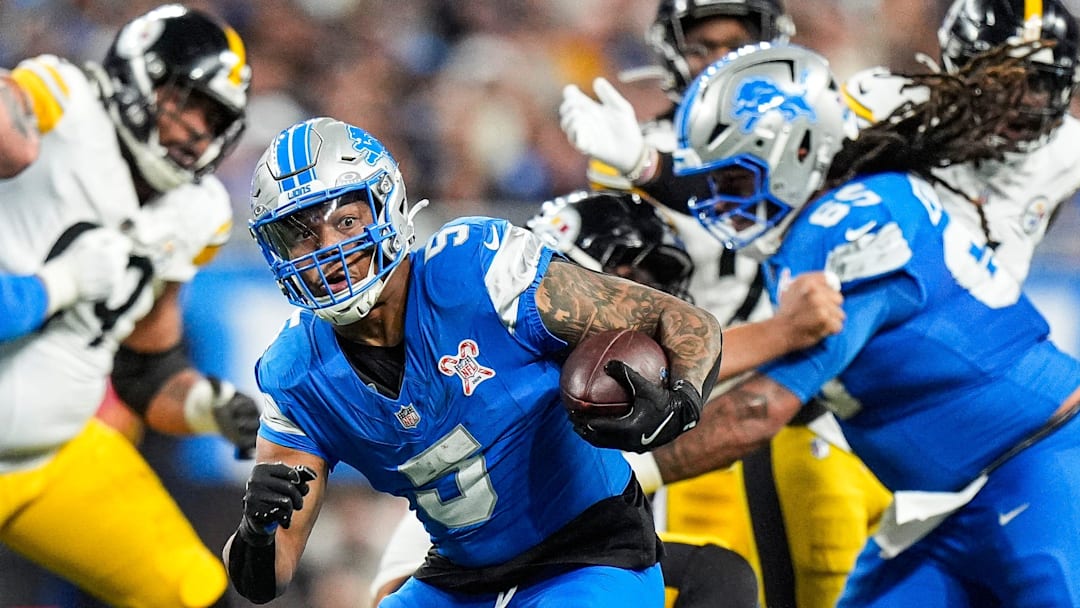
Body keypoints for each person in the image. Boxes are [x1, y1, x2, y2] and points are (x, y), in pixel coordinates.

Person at [622, 41, 1080, 606]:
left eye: (735, 179)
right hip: (944, 506)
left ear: (799, 149)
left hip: (1044, 468)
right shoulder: (818, 230)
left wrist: (629, 476)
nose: (722, 201)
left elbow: (758, 411)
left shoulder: (851, 223)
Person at [222, 117, 724, 607]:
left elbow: (681, 320)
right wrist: (256, 531)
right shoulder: (297, 372)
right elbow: (267, 578)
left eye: (346, 221)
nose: (328, 250)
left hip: (591, 556)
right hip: (457, 580)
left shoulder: (478, 272)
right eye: (302, 236)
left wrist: (680, 401)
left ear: (387, 207)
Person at [559, 2, 890, 606]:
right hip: (694, 403)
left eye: (736, 43)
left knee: (829, 580)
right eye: (703, 46)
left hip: (802, 392)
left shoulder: (806, 128)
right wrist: (643, 164)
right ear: (670, 51)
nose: (721, 61)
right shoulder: (629, 145)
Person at [0, 5, 259, 607]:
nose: (198, 128)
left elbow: (145, 368)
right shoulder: (65, 103)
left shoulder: (197, 213)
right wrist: (60, 284)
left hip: (53, 458)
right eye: (187, 100)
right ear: (139, 73)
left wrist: (205, 406)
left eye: (214, 117)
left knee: (196, 595)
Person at [842, 0, 1080, 286]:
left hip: (986, 318)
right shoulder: (891, 111)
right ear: (958, 66)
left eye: (1039, 82)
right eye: (1001, 78)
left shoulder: (1066, 153)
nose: (1020, 100)